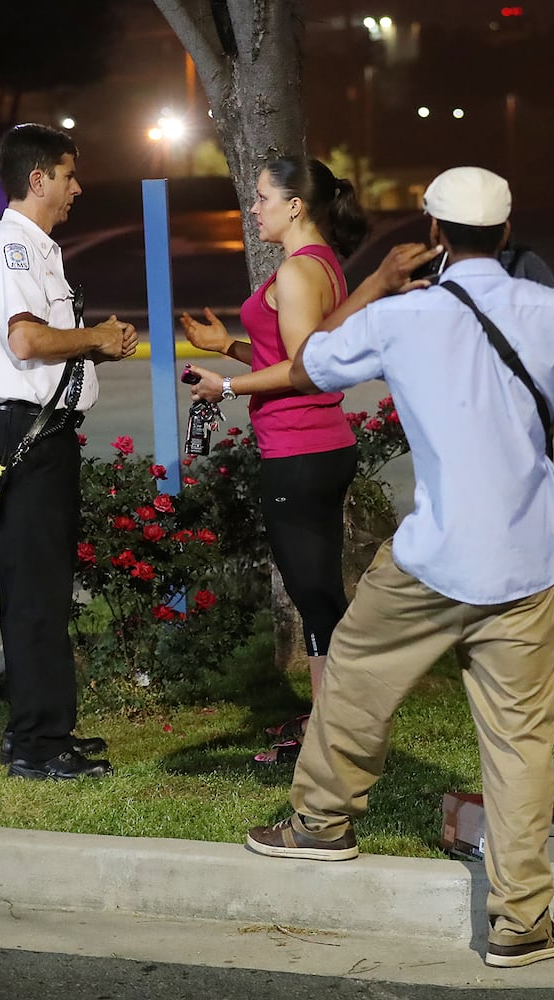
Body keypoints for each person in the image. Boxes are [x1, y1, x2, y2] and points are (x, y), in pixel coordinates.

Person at [242, 166, 554, 969]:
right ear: (506, 233)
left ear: (436, 234)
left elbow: (310, 364)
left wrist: (377, 282)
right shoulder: (553, 312)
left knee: (354, 671)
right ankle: (520, 924)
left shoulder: (404, 317)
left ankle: (321, 823)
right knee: (520, 743)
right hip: (533, 560)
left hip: (434, 558)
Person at [182, 157, 368, 764]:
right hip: (320, 445)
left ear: (295, 205)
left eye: (262, 197)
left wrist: (225, 387)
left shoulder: (295, 272)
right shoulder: (321, 264)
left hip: (300, 449)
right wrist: (228, 347)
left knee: (314, 595)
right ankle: (328, 715)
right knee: (318, 590)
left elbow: (301, 369)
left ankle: (330, 736)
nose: (252, 208)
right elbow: (293, 351)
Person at [0, 124, 138, 779]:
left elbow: (46, 342)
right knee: (37, 597)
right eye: (68, 175)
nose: (78, 187)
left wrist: (95, 345)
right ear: (38, 179)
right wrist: (89, 334)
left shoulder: (37, 248)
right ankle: (37, 747)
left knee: (45, 590)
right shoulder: (12, 248)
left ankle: (47, 733)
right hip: (27, 437)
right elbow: (27, 343)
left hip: (43, 434)